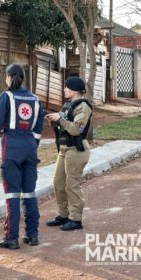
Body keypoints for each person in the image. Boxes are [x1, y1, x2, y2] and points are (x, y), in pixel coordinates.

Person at [0, 64, 44, 249]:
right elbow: (38, 127)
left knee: (12, 193)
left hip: (12, 145)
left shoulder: (6, 97)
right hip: (30, 146)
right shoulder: (35, 98)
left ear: (9, 77)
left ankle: (11, 237)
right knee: (29, 192)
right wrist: (32, 145)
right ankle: (32, 234)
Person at [46, 76, 92, 231]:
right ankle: (63, 215)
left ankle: (75, 219)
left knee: (72, 185)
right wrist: (55, 120)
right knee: (58, 183)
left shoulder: (83, 106)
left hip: (76, 150)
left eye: (67, 87)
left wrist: (60, 119)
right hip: (65, 149)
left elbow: (76, 129)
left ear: (75, 90)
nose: (64, 89)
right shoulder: (68, 105)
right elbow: (63, 126)